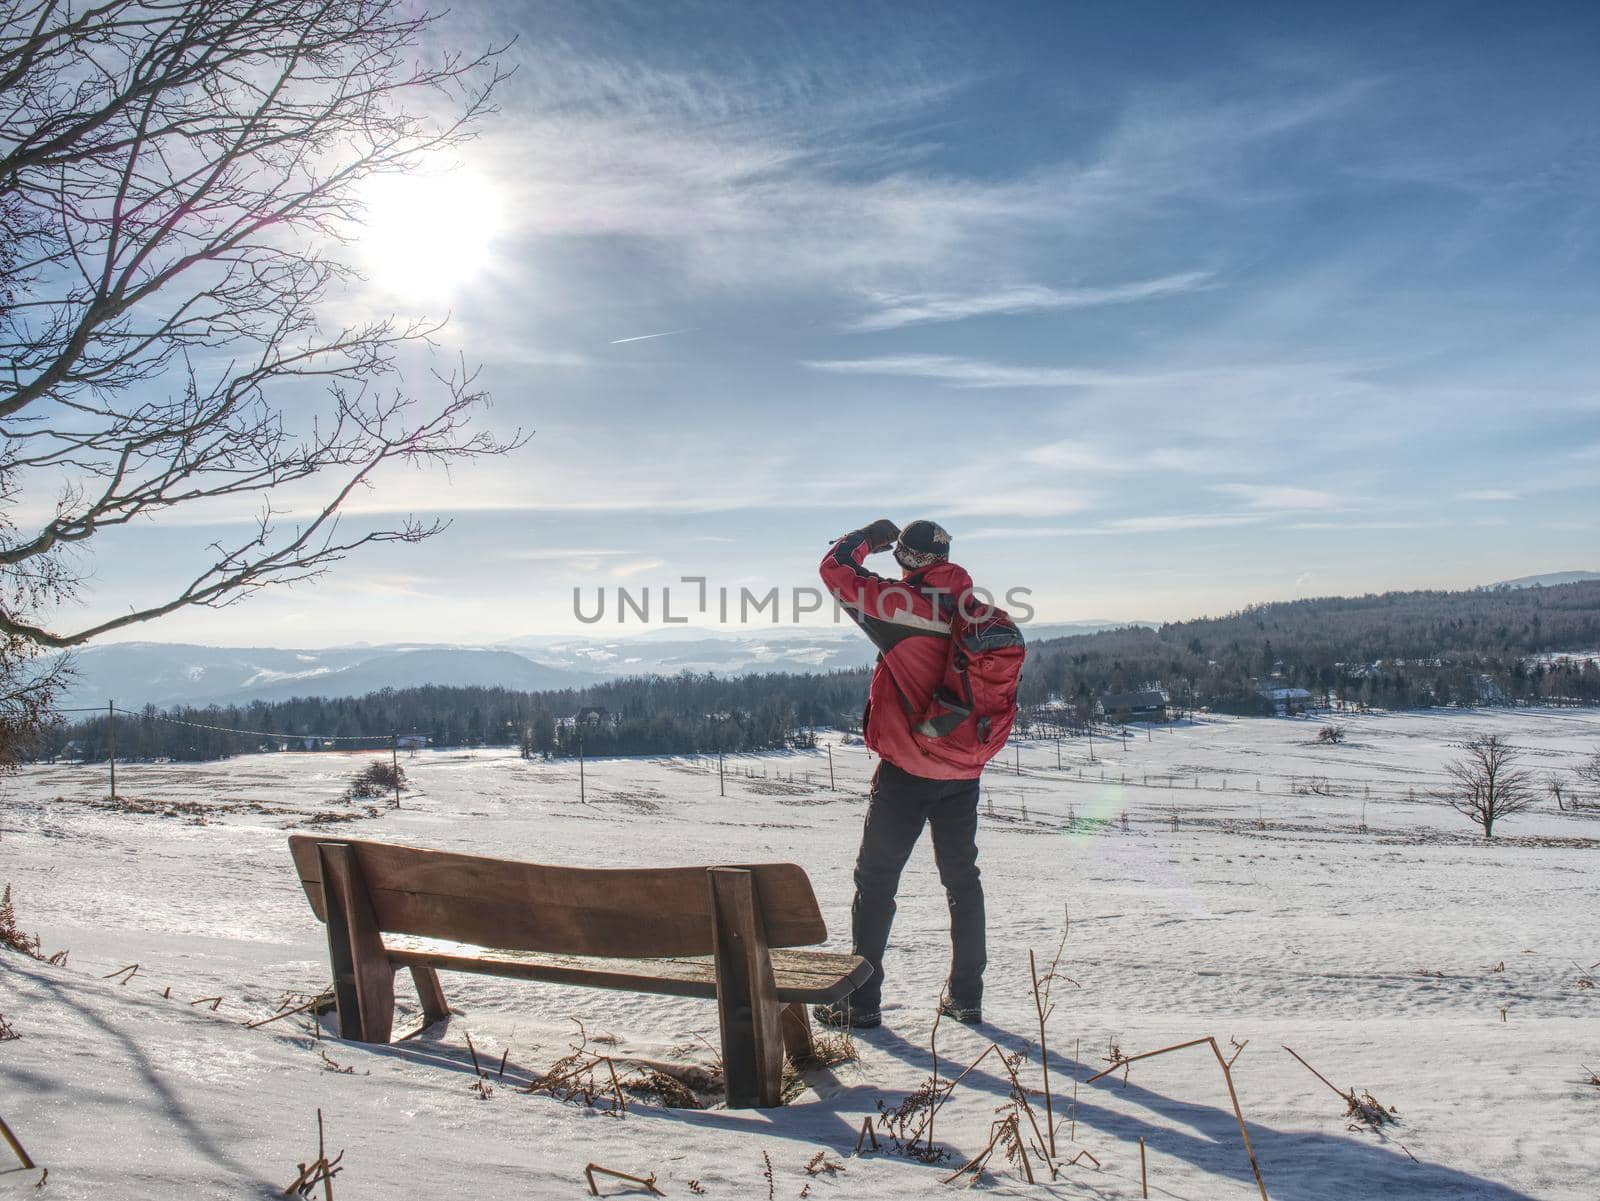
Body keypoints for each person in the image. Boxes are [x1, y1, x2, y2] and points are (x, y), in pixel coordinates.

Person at [813, 517, 987, 1029]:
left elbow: (834, 570)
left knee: (877, 881)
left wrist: (865, 537)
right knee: (962, 879)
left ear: (905, 560)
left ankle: (860, 1003)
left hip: (908, 771)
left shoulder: (902, 607)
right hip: (963, 770)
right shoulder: (974, 611)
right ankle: (966, 997)